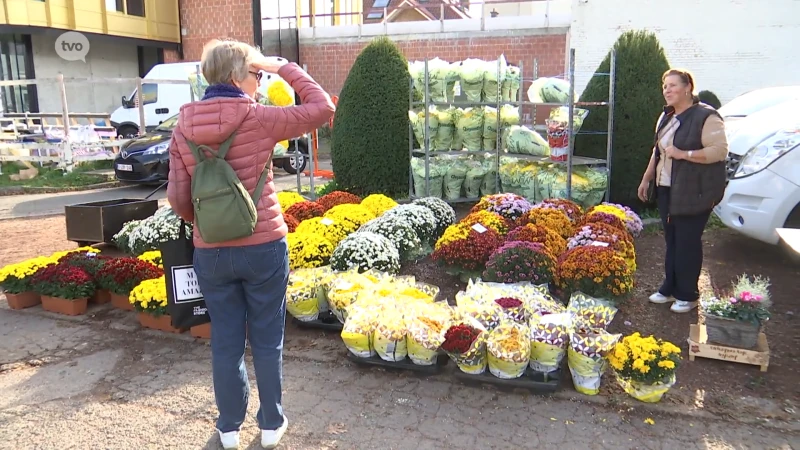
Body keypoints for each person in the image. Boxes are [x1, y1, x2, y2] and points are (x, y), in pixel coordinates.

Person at [166, 39, 335, 449]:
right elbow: (323, 108)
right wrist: (282, 66)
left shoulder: (183, 123)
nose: (260, 81)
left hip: (212, 253)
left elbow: (177, 198)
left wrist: (207, 226)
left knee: (225, 339)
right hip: (263, 249)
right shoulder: (258, 117)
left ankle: (228, 428)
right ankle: (271, 424)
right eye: (256, 74)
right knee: (266, 338)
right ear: (237, 76)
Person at [637, 68, 728, 314]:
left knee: (687, 241)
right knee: (672, 240)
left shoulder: (706, 117)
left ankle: (688, 294)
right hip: (667, 188)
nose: (666, 90)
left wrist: (684, 154)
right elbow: (657, 151)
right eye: (664, 86)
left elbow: (719, 151)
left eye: (672, 85)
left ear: (688, 87)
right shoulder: (665, 117)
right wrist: (647, 179)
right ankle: (669, 288)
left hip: (694, 191)